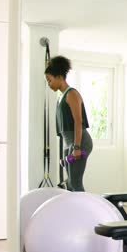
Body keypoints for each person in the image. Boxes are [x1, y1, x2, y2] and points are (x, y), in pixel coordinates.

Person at [44, 55, 93, 192]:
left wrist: (76, 147)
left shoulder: (71, 94)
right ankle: (74, 211)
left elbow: (78, 122)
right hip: (69, 142)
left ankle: (84, 212)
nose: (49, 84)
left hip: (79, 141)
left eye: (50, 80)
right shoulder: (62, 96)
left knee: (75, 183)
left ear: (59, 77)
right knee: (70, 183)